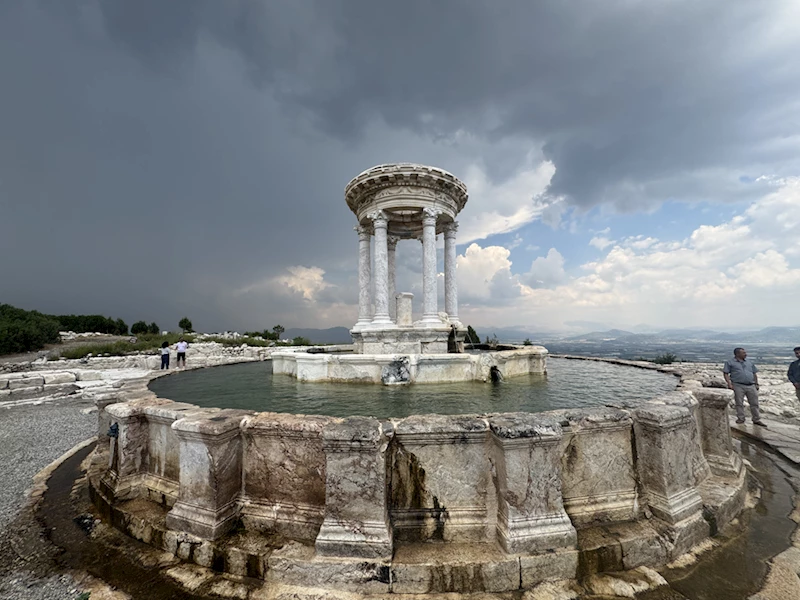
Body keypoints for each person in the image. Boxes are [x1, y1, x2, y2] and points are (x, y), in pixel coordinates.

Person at [723, 347, 767, 427]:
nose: (746, 354)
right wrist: (729, 383)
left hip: (751, 385)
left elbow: (754, 373)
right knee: (739, 403)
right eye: (743, 353)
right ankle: (741, 418)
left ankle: (756, 419)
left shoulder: (749, 362)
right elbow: (726, 373)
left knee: (754, 403)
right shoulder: (730, 362)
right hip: (738, 385)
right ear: (737, 354)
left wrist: (756, 383)